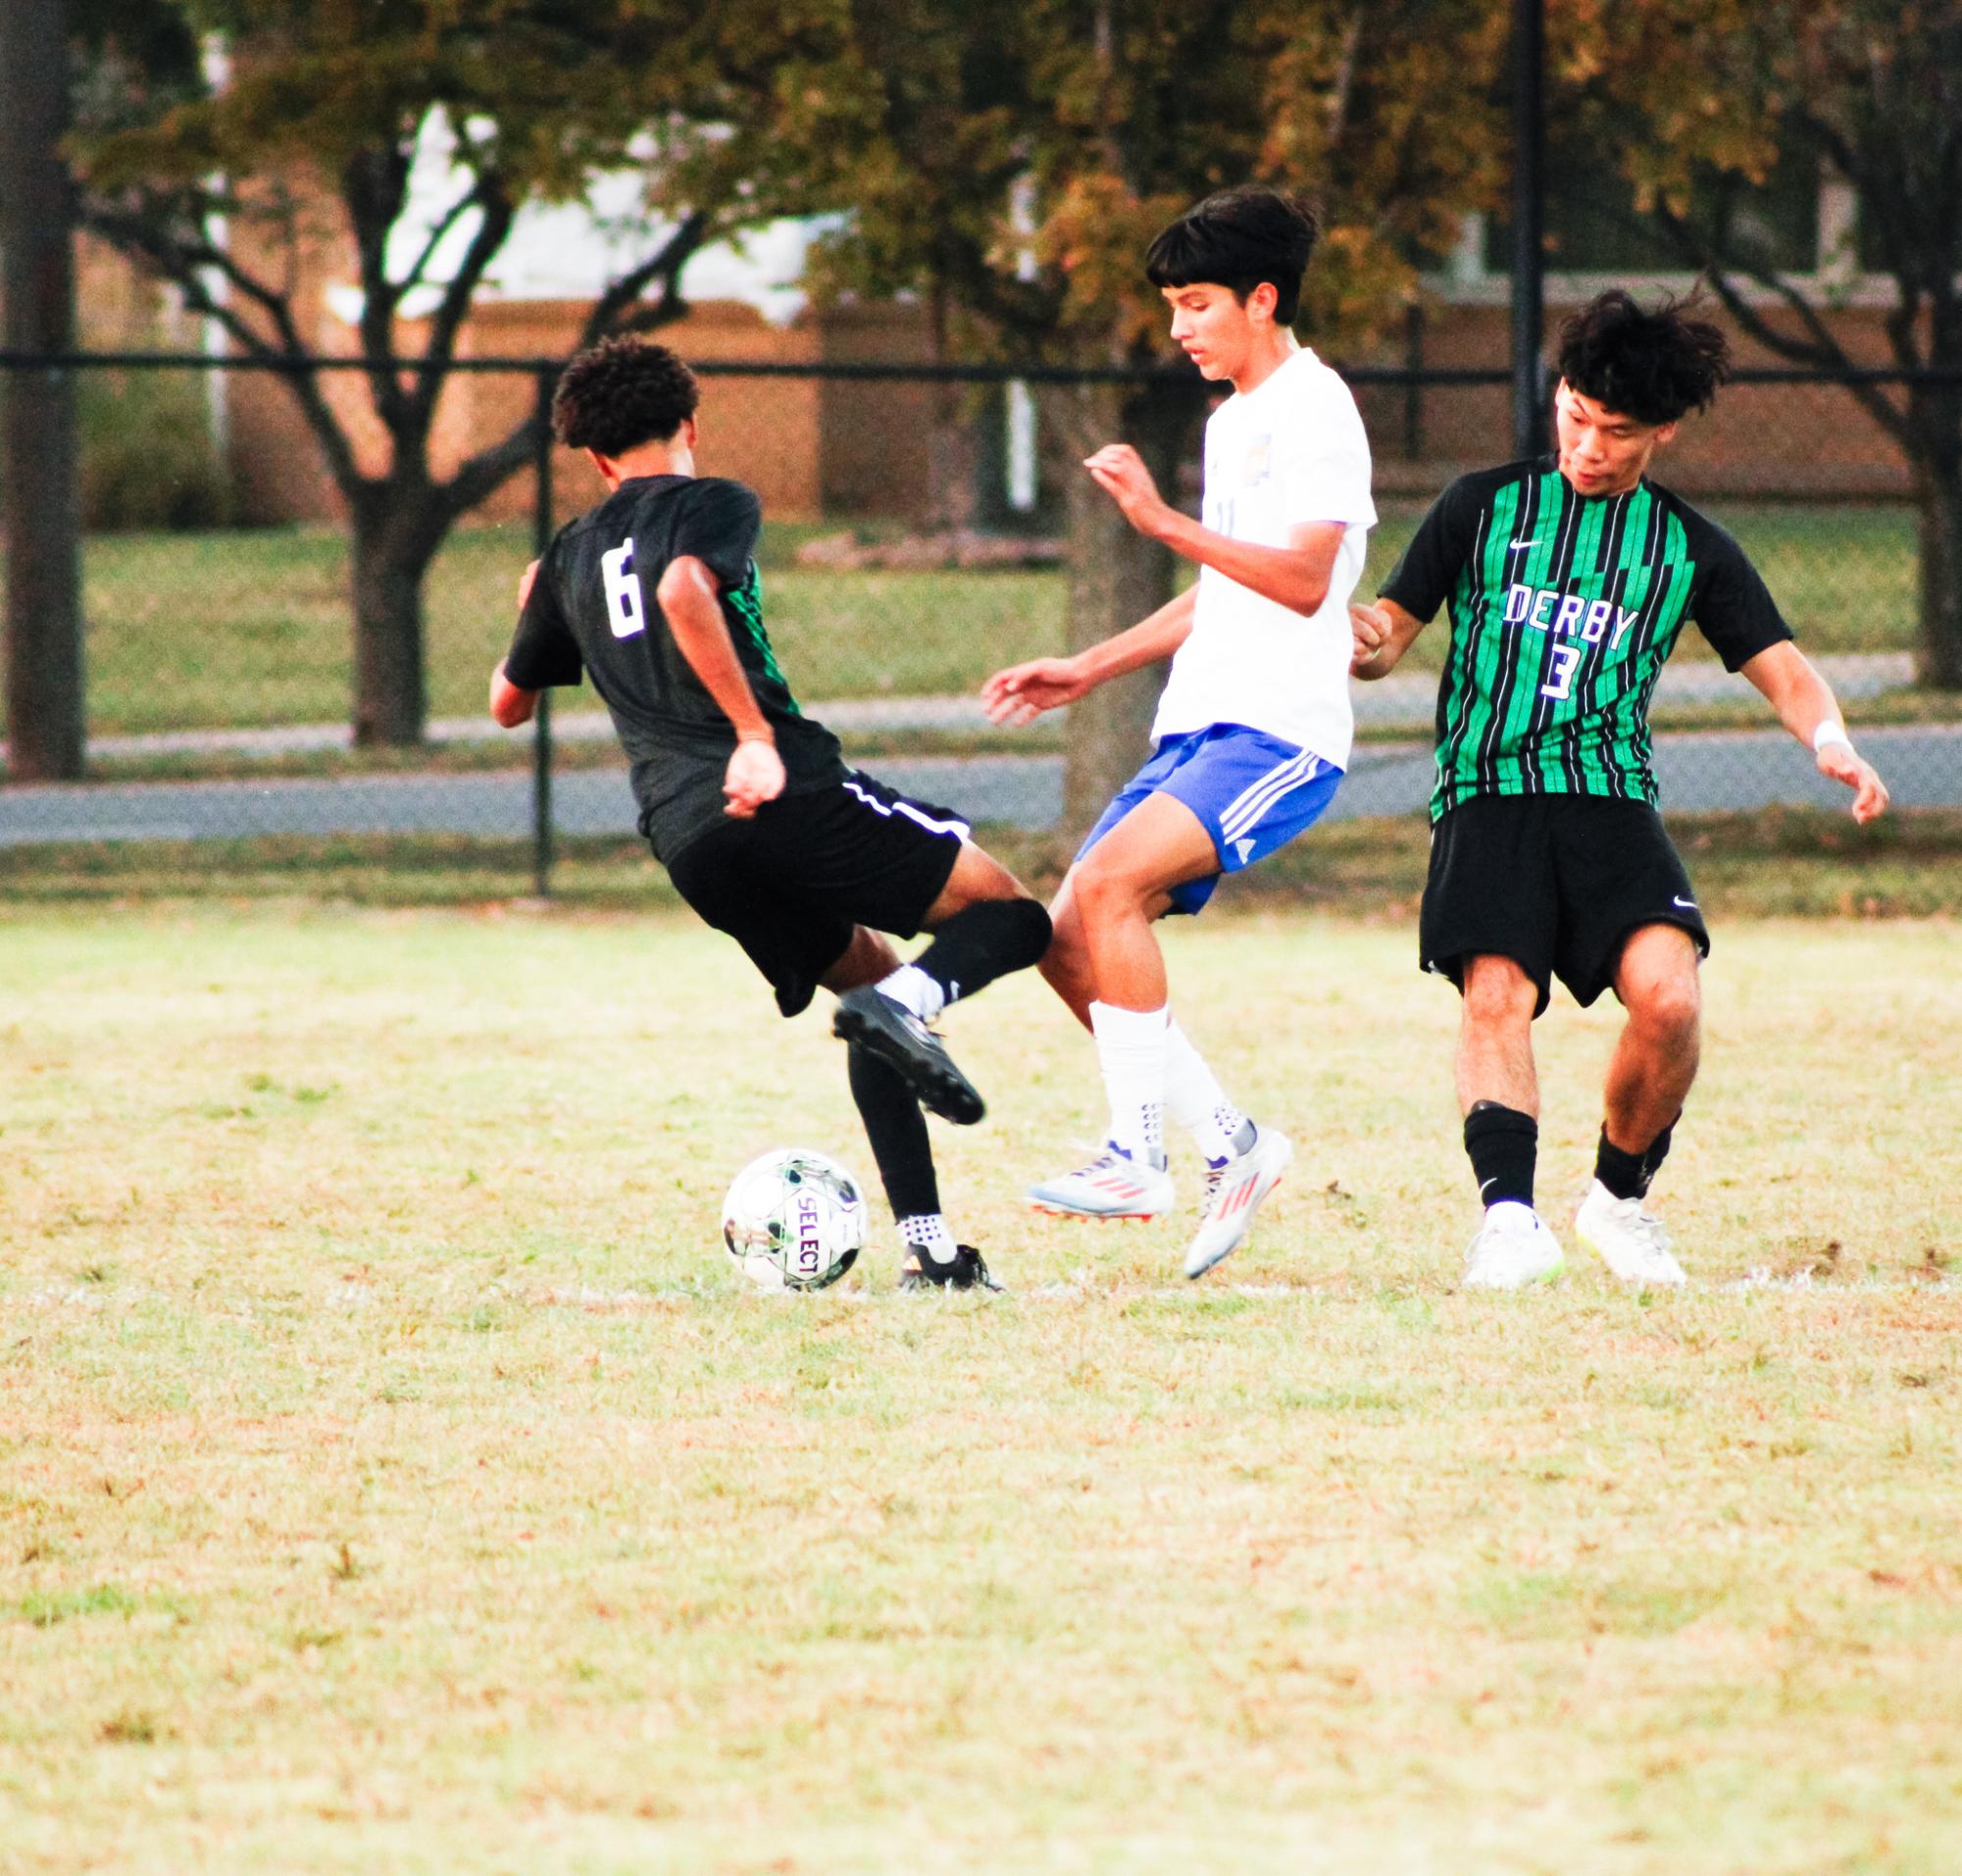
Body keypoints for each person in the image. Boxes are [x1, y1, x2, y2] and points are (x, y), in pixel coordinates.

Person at [1349, 289, 1889, 1290]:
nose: (1590, 445)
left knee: (1672, 1001)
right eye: (1577, 416)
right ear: (1559, 395)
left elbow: (1784, 668)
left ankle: (1617, 1200)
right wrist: (1363, 638)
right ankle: (1508, 1219)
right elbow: (1388, 635)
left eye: (1619, 431)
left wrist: (1832, 739)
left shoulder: (1687, 549)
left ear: (1664, 432)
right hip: (1489, 789)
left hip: (1610, 799)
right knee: (1497, 992)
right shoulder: (1481, 506)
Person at [491, 336, 1050, 1293]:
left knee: (875, 989)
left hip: (687, 841)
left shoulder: (566, 557)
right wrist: (750, 731)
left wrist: (538, 606)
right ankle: (904, 1017)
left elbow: (510, 700)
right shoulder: (714, 500)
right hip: (780, 792)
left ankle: (935, 1251)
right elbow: (679, 587)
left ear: (592, 458)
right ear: (690, 424)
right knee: (1015, 915)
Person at [981, 186, 1376, 1279]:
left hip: (1280, 734)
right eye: (1172, 306)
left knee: (1102, 888)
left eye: (1197, 303)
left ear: (1262, 298)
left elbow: (1301, 584)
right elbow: (1224, 590)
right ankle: (1235, 1145)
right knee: (1061, 938)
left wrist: (1158, 520)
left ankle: (1135, 1158)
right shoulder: (1233, 416)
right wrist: (1091, 663)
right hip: (1201, 725)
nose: (1180, 327)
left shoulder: (1315, 407)